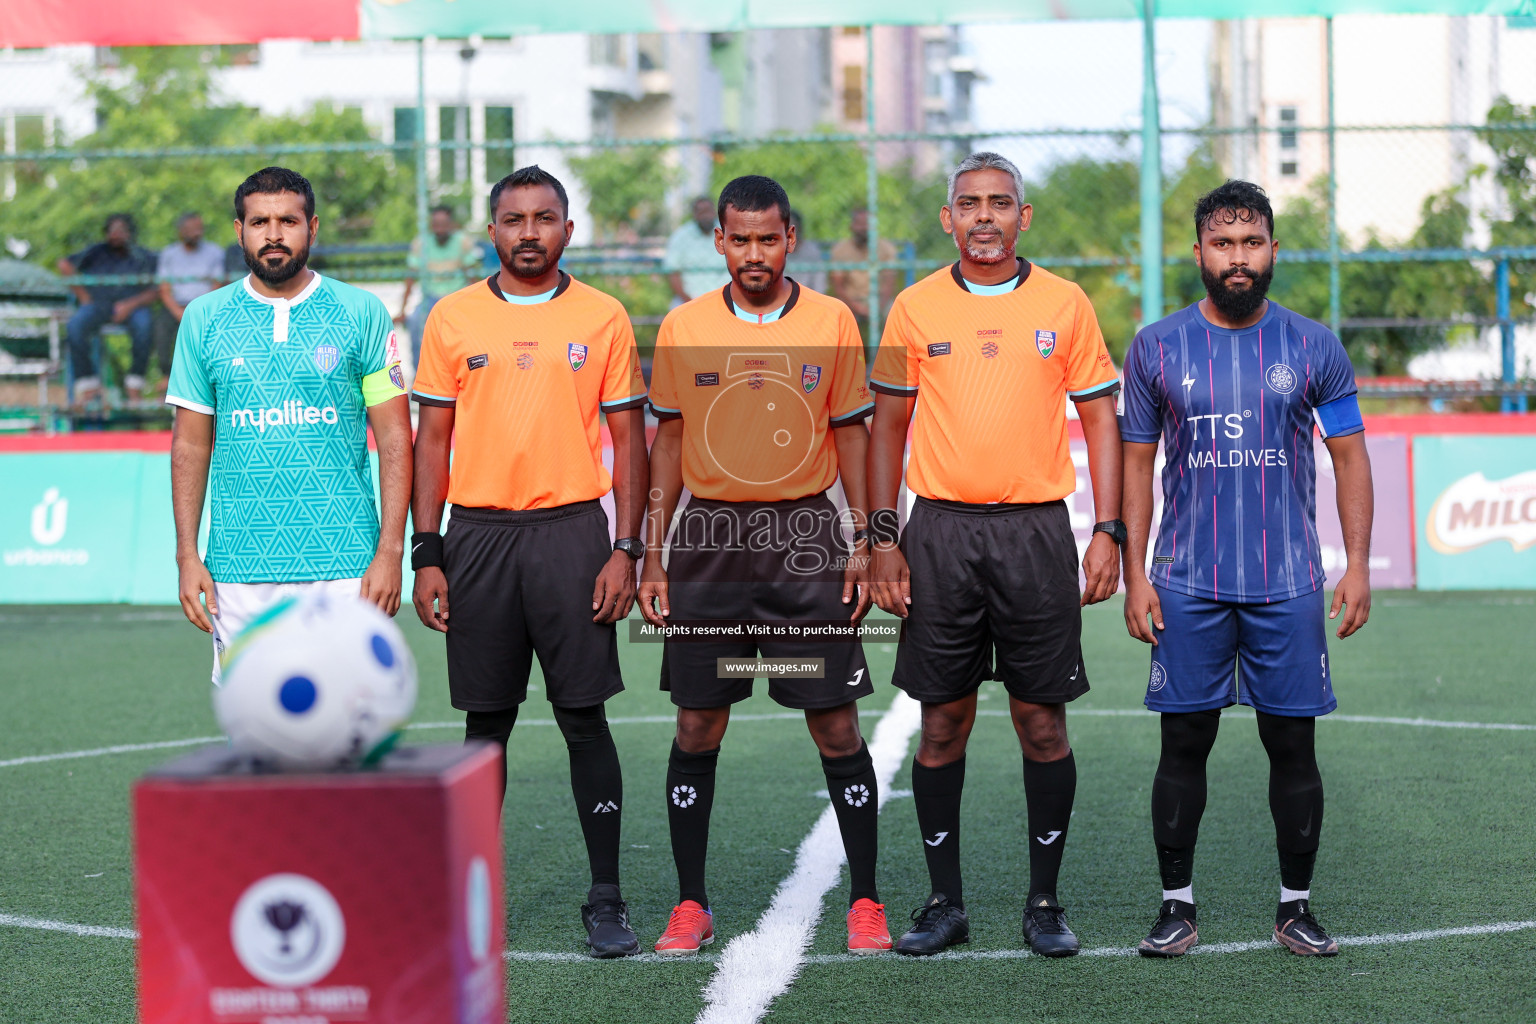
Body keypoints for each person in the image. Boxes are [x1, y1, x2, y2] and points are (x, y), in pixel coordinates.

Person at [866, 151, 1124, 958]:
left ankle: (1043, 902)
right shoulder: (913, 307)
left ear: (1024, 217)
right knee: (941, 723)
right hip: (938, 533)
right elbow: (885, 429)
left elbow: (1101, 421)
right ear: (947, 218)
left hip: (1036, 533)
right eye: (969, 203)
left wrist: (1108, 528)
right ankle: (945, 903)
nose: (985, 216)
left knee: (1041, 722)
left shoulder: (1065, 304)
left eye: (1001, 203)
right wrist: (880, 540)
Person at [1119, 180, 1373, 959]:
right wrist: (1136, 573)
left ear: (1272, 249)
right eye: (1223, 244)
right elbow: (1135, 467)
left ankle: (1295, 906)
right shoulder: (1156, 346)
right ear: (1199, 252)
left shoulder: (1313, 346)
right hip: (1187, 581)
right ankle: (1176, 906)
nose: (1239, 258)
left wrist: (1356, 563)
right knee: (1183, 742)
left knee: (1293, 747)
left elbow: (1350, 458)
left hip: (1287, 580)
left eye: (1252, 243)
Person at [640, 174, 885, 957]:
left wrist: (868, 539)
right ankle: (690, 904)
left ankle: (868, 902)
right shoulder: (682, 328)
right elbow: (669, 443)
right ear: (718, 241)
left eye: (768, 238)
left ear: (791, 240)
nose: (754, 253)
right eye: (739, 239)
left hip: (804, 540)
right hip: (707, 544)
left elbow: (854, 439)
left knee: (836, 725)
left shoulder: (832, 321)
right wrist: (651, 551)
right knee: (697, 722)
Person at [409, 165, 650, 960]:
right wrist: (428, 552)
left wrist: (626, 547)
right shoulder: (451, 318)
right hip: (476, 538)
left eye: (545, 218)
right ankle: (471, 901)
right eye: (513, 219)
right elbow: (433, 443)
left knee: (584, 718)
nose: (529, 232)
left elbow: (627, 440)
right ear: (492, 231)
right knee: (486, 727)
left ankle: (606, 898)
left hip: (573, 535)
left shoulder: (604, 316)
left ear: (567, 230)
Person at [166, 167, 412, 685]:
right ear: (239, 231)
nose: (274, 234)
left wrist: (390, 551)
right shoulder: (204, 318)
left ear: (313, 227)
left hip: (347, 560)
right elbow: (190, 445)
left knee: (347, 724)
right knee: (260, 729)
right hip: (237, 565)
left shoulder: (361, 312)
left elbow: (393, 435)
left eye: (288, 221)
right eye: (259, 222)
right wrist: (188, 555)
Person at [58, 213, 158, 406]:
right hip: (98, 305)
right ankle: (87, 384)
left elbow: (157, 289)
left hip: (133, 306)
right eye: (112, 230)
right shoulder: (96, 252)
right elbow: (64, 264)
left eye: (121, 230)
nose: (116, 234)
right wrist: (84, 297)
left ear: (130, 233)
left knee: (145, 326)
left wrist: (130, 305)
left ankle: (135, 384)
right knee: (75, 326)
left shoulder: (143, 256)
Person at [396, 204, 482, 366]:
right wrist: (402, 310)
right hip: (430, 300)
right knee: (415, 323)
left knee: (469, 334)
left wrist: (480, 305)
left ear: (451, 224)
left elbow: (472, 277)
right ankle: (419, 375)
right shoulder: (421, 243)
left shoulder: (462, 241)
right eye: (436, 224)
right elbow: (410, 278)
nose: (440, 228)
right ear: (431, 225)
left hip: (458, 299)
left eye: (443, 224)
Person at [155, 213, 226, 391]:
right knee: (160, 328)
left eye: (199, 229)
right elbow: (164, 288)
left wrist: (199, 309)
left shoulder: (214, 252)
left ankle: (210, 376)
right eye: (192, 229)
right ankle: (167, 375)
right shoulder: (169, 254)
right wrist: (178, 311)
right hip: (176, 305)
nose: (196, 233)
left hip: (205, 305)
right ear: (181, 231)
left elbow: (218, 283)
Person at [827, 207, 898, 343]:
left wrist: (879, 306)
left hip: (879, 301)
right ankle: (844, 360)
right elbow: (839, 287)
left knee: (895, 313)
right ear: (851, 226)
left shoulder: (886, 248)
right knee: (836, 314)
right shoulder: (840, 250)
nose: (863, 228)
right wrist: (857, 307)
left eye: (867, 224)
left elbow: (889, 283)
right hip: (850, 301)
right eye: (859, 223)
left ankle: (888, 358)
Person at [663, 196, 730, 306]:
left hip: (725, 300)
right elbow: (673, 273)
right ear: (694, 214)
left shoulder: (728, 232)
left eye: (708, 211)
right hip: (689, 301)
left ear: (715, 211)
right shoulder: (680, 237)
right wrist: (692, 304)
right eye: (701, 212)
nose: (706, 216)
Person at [785, 208, 827, 293]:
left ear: (800, 229)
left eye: (793, 230)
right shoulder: (777, 252)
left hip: (809, 299)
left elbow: (820, 284)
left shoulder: (813, 252)